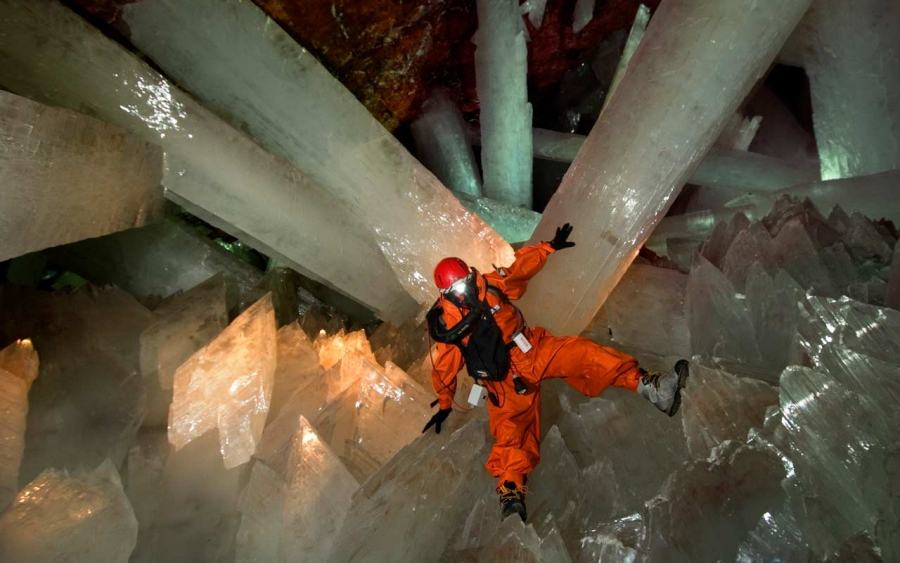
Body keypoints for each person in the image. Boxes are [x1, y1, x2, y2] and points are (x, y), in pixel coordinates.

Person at [421, 223, 689, 522]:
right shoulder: (449, 326)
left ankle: (652, 388)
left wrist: (546, 248)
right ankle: (511, 493)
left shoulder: (489, 285)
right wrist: (445, 403)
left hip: (531, 348)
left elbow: (518, 271)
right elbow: (444, 367)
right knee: (512, 433)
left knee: (586, 354)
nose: (466, 288)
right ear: (446, 292)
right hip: (502, 380)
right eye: (458, 287)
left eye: (466, 280)